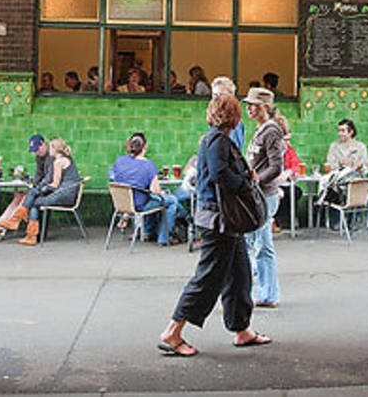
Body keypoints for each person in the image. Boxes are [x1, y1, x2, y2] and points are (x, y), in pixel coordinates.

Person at [158, 94, 272, 356]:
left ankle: (242, 329)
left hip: (222, 220)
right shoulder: (218, 141)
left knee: (240, 274)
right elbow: (221, 174)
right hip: (219, 220)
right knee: (208, 277)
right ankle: (172, 332)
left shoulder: (214, 139)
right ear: (233, 115)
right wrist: (246, 183)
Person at [0, 137, 80, 246]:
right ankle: (30, 235)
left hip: (64, 195)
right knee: (34, 201)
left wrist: (39, 189)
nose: (49, 150)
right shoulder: (66, 159)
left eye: (51, 147)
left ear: (54, 149)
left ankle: (19, 223)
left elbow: (55, 184)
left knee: (33, 200)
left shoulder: (58, 162)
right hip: (66, 194)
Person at [242, 87, 283, 308]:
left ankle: (261, 294)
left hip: (264, 196)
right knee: (258, 243)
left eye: (253, 105)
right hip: (258, 195)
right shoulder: (261, 129)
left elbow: (277, 166)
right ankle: (262, 294)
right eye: (247, 104)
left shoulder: (271, 131)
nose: (248, 108)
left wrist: (257, 180)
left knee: (257, 244)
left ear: (265, 107)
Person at [110, 133, 185, 246]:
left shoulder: (119, 161)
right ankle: (164, 238)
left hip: (121, 205)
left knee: (154, 198)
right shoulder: (148, 165)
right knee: (172, 201)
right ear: (144, 147)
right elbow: (156, 191)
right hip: (139, 206)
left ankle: (147, 231)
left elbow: (112, 176)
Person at [0, 134, 51, 240]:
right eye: (34, 151)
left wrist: (36, 186)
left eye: (37, 149)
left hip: (50, 190)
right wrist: (33, 183)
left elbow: (49, 178)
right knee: (19, 196)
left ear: (43, 144)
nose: (36, 153)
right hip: (42, 187)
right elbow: (39, 175)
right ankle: (0, 222)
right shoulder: (39, 157)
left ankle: (3, 225)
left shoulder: (52, 156)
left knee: (27, 196)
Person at [211, 76, 244, 150]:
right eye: (214, 95)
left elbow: (234, 151)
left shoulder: (234, 123)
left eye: (221, 95)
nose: (216, 100)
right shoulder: (215, 119)